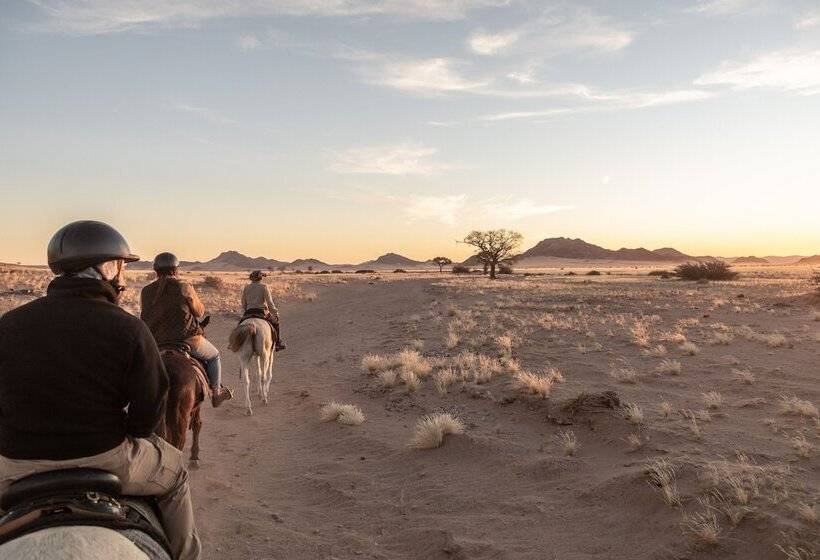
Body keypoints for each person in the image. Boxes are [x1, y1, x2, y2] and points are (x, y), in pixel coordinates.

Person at [0, 220, 201, 560]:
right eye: (121, 266)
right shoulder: (129, 329)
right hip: (104, 455)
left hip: (15, 464)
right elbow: (145, 417)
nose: (123, 276)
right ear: (106, 268)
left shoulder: (7, 326)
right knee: (177, 473)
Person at [140, 253, 233, 408]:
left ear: (156, 270)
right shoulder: (184, 286)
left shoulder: (146, 291)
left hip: (156, 342)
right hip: (187, 339)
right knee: (214, 356)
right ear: (176, 269)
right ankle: (216, 394)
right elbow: (199, 312)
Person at [240, 270, 286, 351]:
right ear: (260, 278)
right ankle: (278, 343)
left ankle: (236, 343)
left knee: (240, 325)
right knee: (276, 323)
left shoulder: (246, 287)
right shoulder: (264, 287)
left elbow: (243, 303)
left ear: (251, 278)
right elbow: (270, 303)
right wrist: (275, 313)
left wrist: (246, 310)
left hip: (249, 311)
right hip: (262, 312)